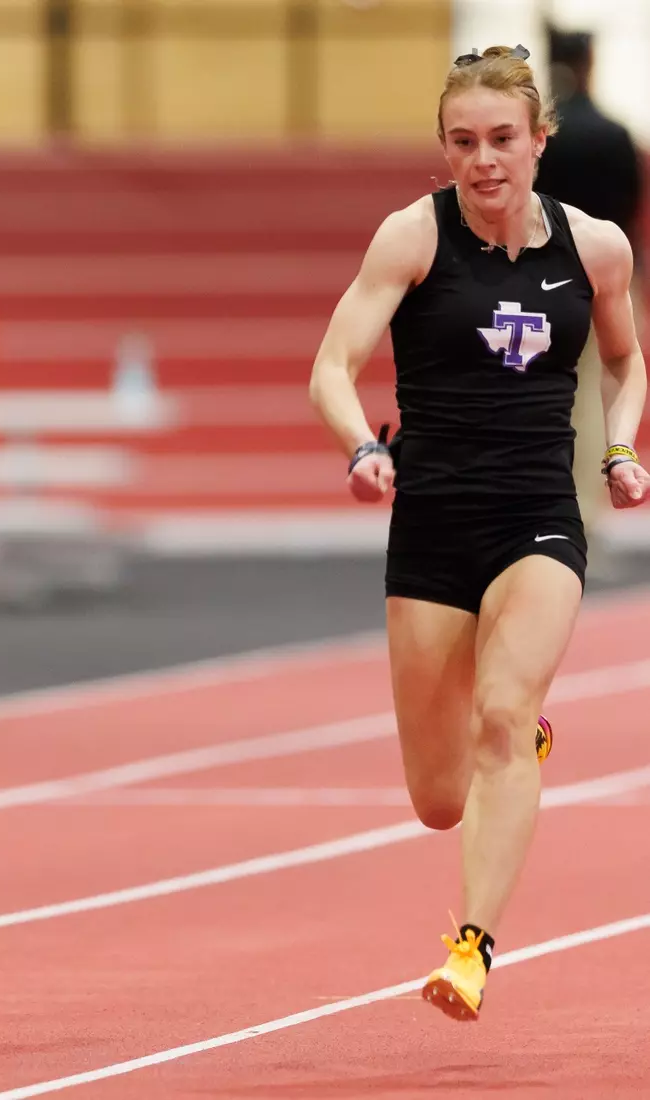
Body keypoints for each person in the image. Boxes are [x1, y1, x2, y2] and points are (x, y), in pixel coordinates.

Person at [308, 44, 650, 1021]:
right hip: (432, 522)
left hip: (538, 515)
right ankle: (517, 742)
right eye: (463, 142)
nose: (484, 160)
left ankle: (472, 947)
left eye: (503, 139)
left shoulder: (597, 248)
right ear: (444, 148)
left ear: (540, 140)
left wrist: (620, 449)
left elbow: (627, 362)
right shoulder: (411, 238)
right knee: (438, 797)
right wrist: (358, 448)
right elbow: (333, 364)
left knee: (503, 715)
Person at [537, 27, 645, 563]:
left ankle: (549, 515)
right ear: (589, 64)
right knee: (596, 396)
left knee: (544, 398)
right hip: (608, 280)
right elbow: (629, 211)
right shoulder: (614, 133)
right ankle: (584, 519)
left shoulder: (541, 138)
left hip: (546, 281)